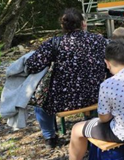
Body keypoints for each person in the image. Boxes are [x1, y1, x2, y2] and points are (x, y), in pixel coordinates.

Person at [25, 8, 107, 148]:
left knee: (40, 102)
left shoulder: (55, 43)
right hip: (95, 94)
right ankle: (91, 124)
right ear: (83, 23)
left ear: (62, 26)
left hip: (63, 99)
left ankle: (50, 137)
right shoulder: (99, 40)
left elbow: (32, 65)